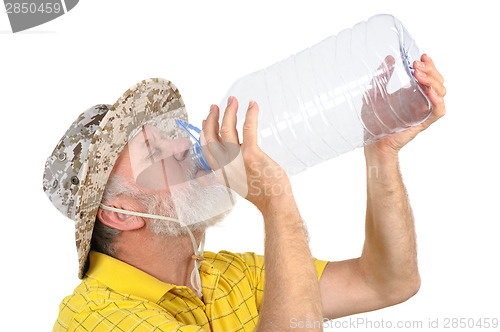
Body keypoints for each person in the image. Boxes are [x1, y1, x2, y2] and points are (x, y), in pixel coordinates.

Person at [44, 54, 446, 332]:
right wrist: (276, 203)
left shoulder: (224, 276)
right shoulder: (95, 318)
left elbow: (388, 282)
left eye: (169, 136)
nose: (183, 145)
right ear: (121, 213)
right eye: (154, 150)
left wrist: (380, 149)